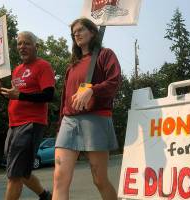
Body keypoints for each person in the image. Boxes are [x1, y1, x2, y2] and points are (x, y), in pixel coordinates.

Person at [52, 18, 121, 200]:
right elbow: (64, 100)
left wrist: (92, 90)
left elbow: (114, 82)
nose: (77, 34)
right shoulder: (71, 66)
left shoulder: (105, 55)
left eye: (81, 30)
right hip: (69, 121)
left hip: (96, 119)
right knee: (59, 178)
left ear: (93, 32)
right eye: (74, 32)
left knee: (99, 179)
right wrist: (60, 125)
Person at [0, 31, 54, 200]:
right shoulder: (17, 70)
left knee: (15, 174)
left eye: (26, 43)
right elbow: (14, 95)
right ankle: (45, 195)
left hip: (31, 123)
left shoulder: (43, 66)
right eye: (19, 43)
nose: (22, 47)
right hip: (14, 124)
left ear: (36, 47)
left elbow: (49, 95)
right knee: (22, 171)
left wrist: (20, 96)